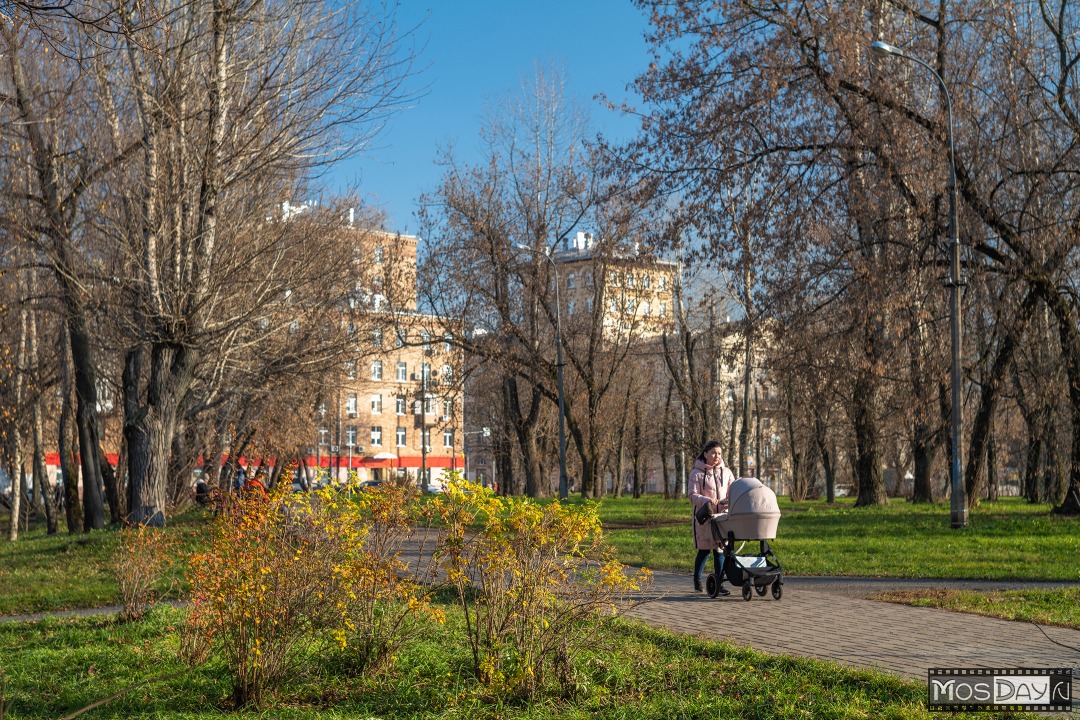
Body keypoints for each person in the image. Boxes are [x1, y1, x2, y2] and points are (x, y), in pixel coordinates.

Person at [689, 439, 734, 594]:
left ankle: (719, 583)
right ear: (705, 453)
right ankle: (697, 580)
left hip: (721, 517)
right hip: (705, 517)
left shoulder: (727, 472)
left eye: (719, 453)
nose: (717, 456)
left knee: (720, 550)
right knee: (704, 550)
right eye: (713, 453)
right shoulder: (696, 473)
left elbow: (732, 491)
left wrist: (729, 502)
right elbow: (692, 495)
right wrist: (708, 501)